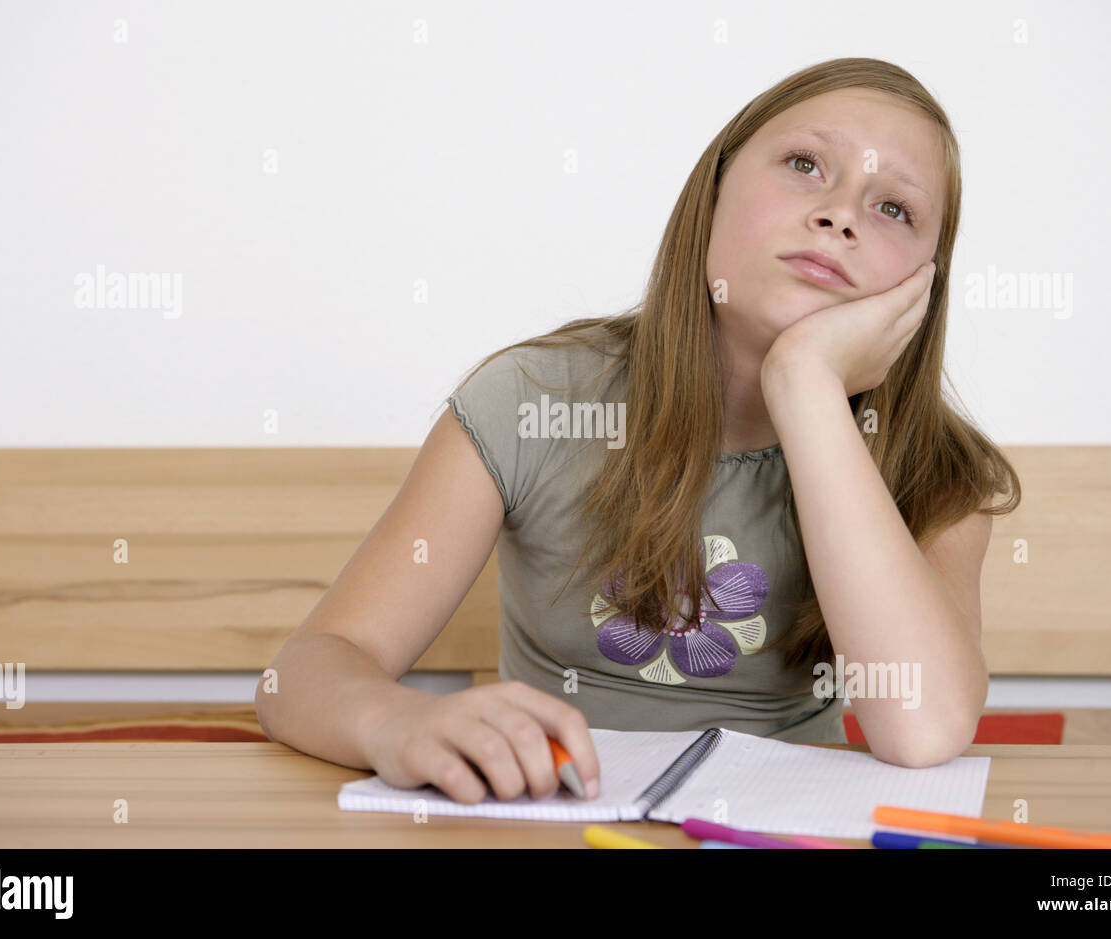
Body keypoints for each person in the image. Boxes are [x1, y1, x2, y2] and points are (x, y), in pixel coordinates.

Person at [255, 56, 1021, 805]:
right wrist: (398, 719)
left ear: (925, 283)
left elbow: (922, 727)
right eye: (803, 163)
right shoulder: (532, 402)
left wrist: (807, 386)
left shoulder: (942, 472)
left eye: (894, 208)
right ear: (713, 190)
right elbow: (307, 671)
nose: (839, 215)